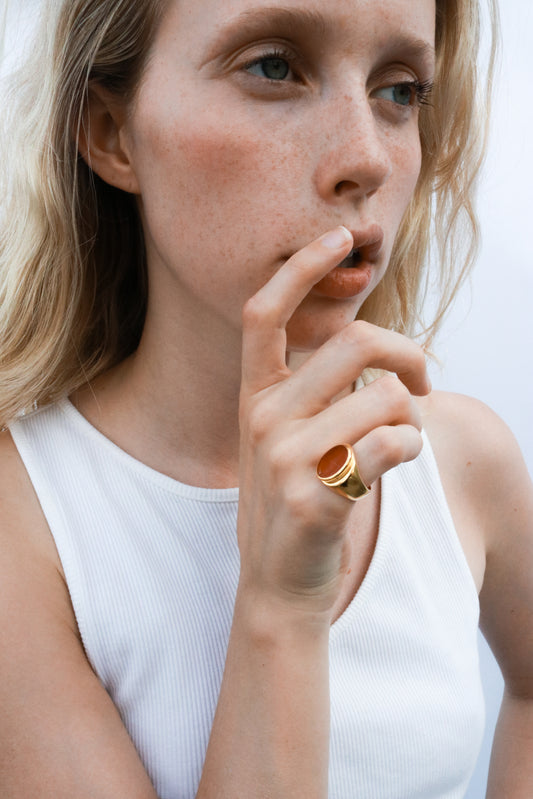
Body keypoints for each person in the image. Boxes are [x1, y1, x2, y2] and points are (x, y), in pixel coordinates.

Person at [0, 0, 531, 796]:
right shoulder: (26, 524)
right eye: (273, 67)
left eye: (399, 90)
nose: (367, 159)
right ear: (112, 134)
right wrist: (282, 601)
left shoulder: (458, 456)